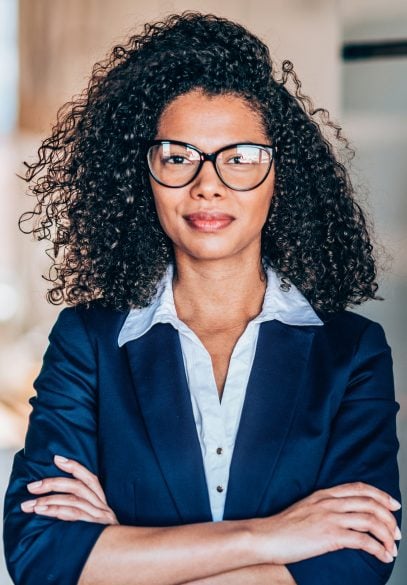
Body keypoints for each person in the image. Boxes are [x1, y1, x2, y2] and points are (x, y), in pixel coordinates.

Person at [3, 11, 401, 585]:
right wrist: (272, 535)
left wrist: (122, 557)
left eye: (239, 157)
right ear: (142, 174)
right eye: (178, 156)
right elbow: (41, 556)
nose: (207, 183)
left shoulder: (353, 352)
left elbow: (356, 560)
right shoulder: (88, 341)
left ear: (279, 177)